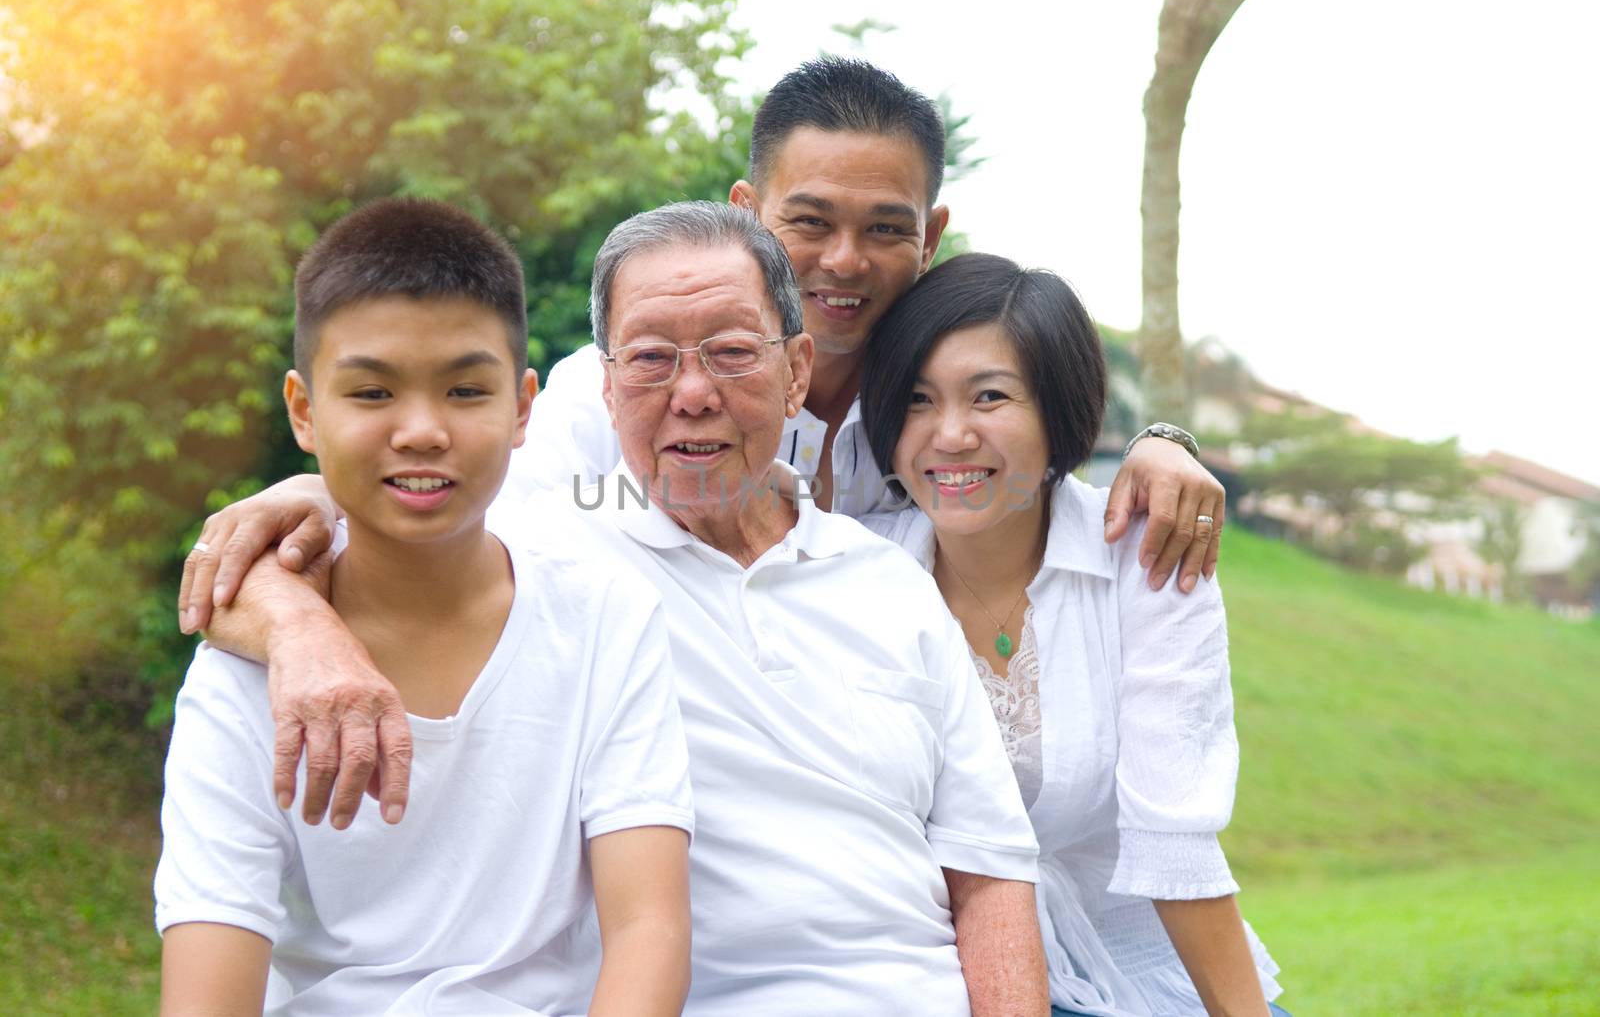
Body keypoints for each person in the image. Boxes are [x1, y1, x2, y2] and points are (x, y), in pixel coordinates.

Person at [173, 62, 1228, 824]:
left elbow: (1022, 462)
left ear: (931, 235)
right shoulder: (615, 399)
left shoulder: (930, 415)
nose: (844, 261)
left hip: (918, 837)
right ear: (748, 210)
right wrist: (308, 553)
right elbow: (438, 505)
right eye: (807, 221)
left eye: (886, 228)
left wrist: (1163, 441)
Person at [196, 201, 1049, 1015]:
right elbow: (380, 503)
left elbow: (990, 871)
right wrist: (297, 617)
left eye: (729, 352)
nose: (691, 393)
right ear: (603, 390)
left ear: (796, 374)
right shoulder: (559, 552)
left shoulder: (890, 581)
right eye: (649, 358)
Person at [154, 199, 695, 1016]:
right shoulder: (240, 672)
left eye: (464, 390)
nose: (420, 431)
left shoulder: (605, 619)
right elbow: (208, 975)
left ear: (522, 408)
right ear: (305, 411)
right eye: (371, 392)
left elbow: (648, 927)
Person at [857, 252, 1287, 1017]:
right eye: (918, 402)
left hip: (1140, 971)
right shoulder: (859, 572)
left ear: (1058, 413)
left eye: (988, 396)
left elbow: (1172, 830)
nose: (949, 435)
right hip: (936, 981)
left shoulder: (1145, 554)